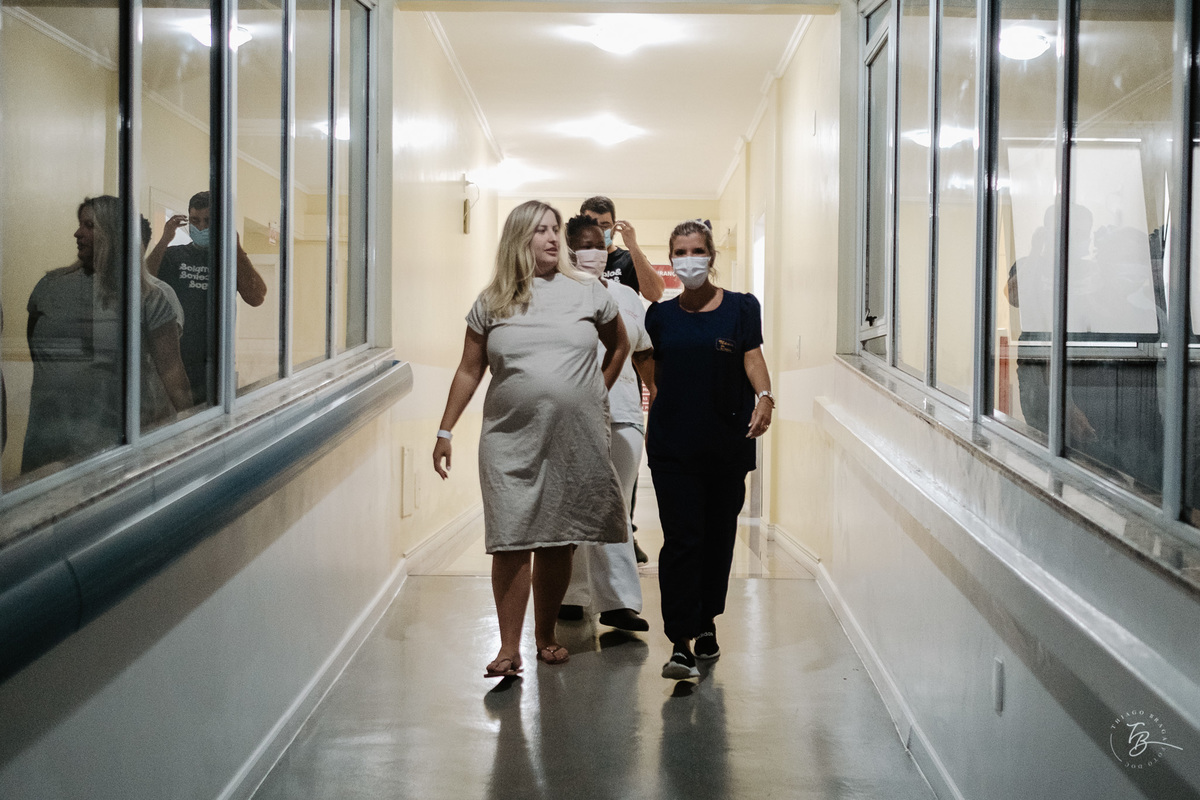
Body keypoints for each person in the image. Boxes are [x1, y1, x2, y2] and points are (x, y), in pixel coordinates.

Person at [432, 200, 631, 679]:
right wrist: (444, 429)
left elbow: (620, 344)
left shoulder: (588, 292)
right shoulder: (492, 300)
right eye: (540, 230)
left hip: (573, 437)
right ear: (518, 238)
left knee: (558, 540)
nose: (552, 238)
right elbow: (469, 370)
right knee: (510, 539)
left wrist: (594, 392)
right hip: (508, 438)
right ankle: (508, 647)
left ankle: (545, 636)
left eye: (554, 229)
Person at [645, 219, 773, 680]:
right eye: (680, 252)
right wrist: (658, 397)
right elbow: (647, 363)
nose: (689, 259)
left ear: (711, 256)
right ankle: (679, 642)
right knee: (682, 540)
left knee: (718, 539)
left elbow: (752, 356)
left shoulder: (741, 308)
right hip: (672, 446)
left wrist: (764, 397)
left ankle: (706, 623)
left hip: (726, 445)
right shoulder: (660, 316)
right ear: (671, 258)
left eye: (697, 250)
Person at [22, 196, 192, 474]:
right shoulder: (49, 287)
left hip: (110, 446)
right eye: (80, 224)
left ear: (114, 234)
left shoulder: (148, 298)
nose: (77, 233)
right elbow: (39, 352)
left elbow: (172, 375)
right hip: (49, 440)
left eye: (89, 226)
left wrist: (192, 437)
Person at [557, 214, 654, 632]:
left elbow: (644, 351)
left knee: (613, 503)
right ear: (569, 250)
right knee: (576, 503)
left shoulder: (627, 296)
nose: (594, 252)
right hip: (570, 415)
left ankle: (618, 603)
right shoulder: (554, 293)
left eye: (600, 244)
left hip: (623, 413)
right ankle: (572, 593)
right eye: (584, 245)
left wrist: (658, 396)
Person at [146, 190, 267, 406]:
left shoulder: (229, 259)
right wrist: (165, 239)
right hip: (175, 361)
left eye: (208, 221)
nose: (201, 227)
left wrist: (235, 246)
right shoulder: (174, 256)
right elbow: (142, 283)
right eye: (195, 220)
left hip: (216, 364)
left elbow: (256, 296)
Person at [580, 195, 665, 303]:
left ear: (614, 227)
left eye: (605, 226)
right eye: (593, 225)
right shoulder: (573, 260)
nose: (599, 231)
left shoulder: (629, 259)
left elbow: (655, 294)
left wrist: (633, 246)